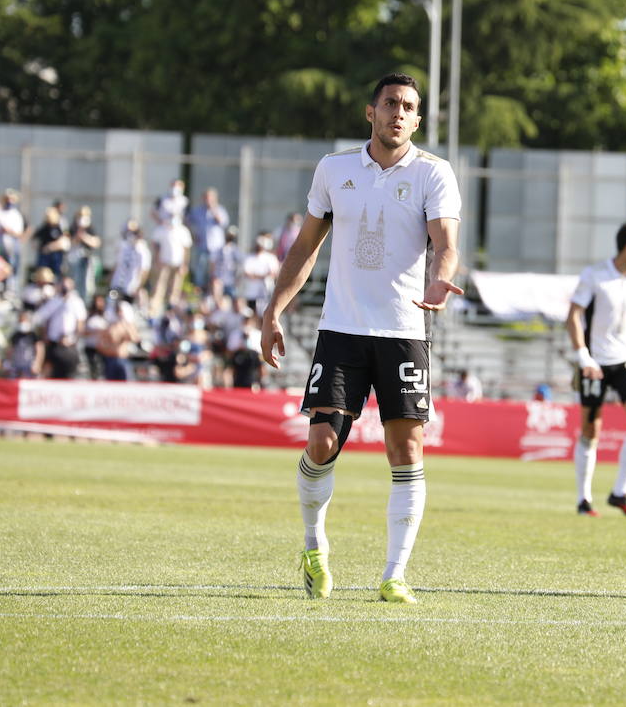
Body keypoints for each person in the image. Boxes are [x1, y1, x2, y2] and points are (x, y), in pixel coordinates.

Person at [260, 72, 462, 605]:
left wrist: (441, 277)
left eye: (409, 107)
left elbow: (445, 243)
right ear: (369, 112)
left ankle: (395, 574)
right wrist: (273, 310)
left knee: (406, 447)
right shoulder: (335, 169)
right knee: (322, 443)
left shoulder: (434, 174)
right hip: (341, 329)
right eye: (390, 103)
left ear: (418, 120)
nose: (399, 112)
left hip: (403, 331)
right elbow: (306, 246)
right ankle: (312, 545)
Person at [566, 221, 626, 519]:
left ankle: (619, 493)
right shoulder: (595, 275)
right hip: (595, 364)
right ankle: (583, 500)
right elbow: (574, 315)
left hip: (624, 361)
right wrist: (583, 357)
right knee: (591, 429)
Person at [187, 188, 229, 291]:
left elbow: (223, 223)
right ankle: (199, 290)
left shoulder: (220, 210)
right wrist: (193, 235)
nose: (207, 200)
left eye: (210, 197)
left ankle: (214, 291)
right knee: (200, 270)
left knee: (215, 272)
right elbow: (187, 222)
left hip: (216, 247)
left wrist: (213, 210)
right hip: (202, 245)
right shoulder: (197, 211)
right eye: (206, 197)